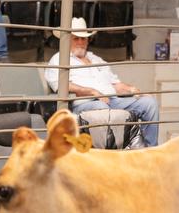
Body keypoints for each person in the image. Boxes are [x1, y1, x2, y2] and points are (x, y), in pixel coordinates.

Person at [45, 17, 159, 147]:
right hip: (86, 103)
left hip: (113, 100)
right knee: (102, 110)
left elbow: (116, 84)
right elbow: (60, 85)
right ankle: (107, 152)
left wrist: (132, 90)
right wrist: (91, 92)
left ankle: (150, 149)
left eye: (84, 38)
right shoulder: (59, 59)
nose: (81, 42)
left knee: (149, 103)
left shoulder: (96, 59)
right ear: (67, 41)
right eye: (76, 38)